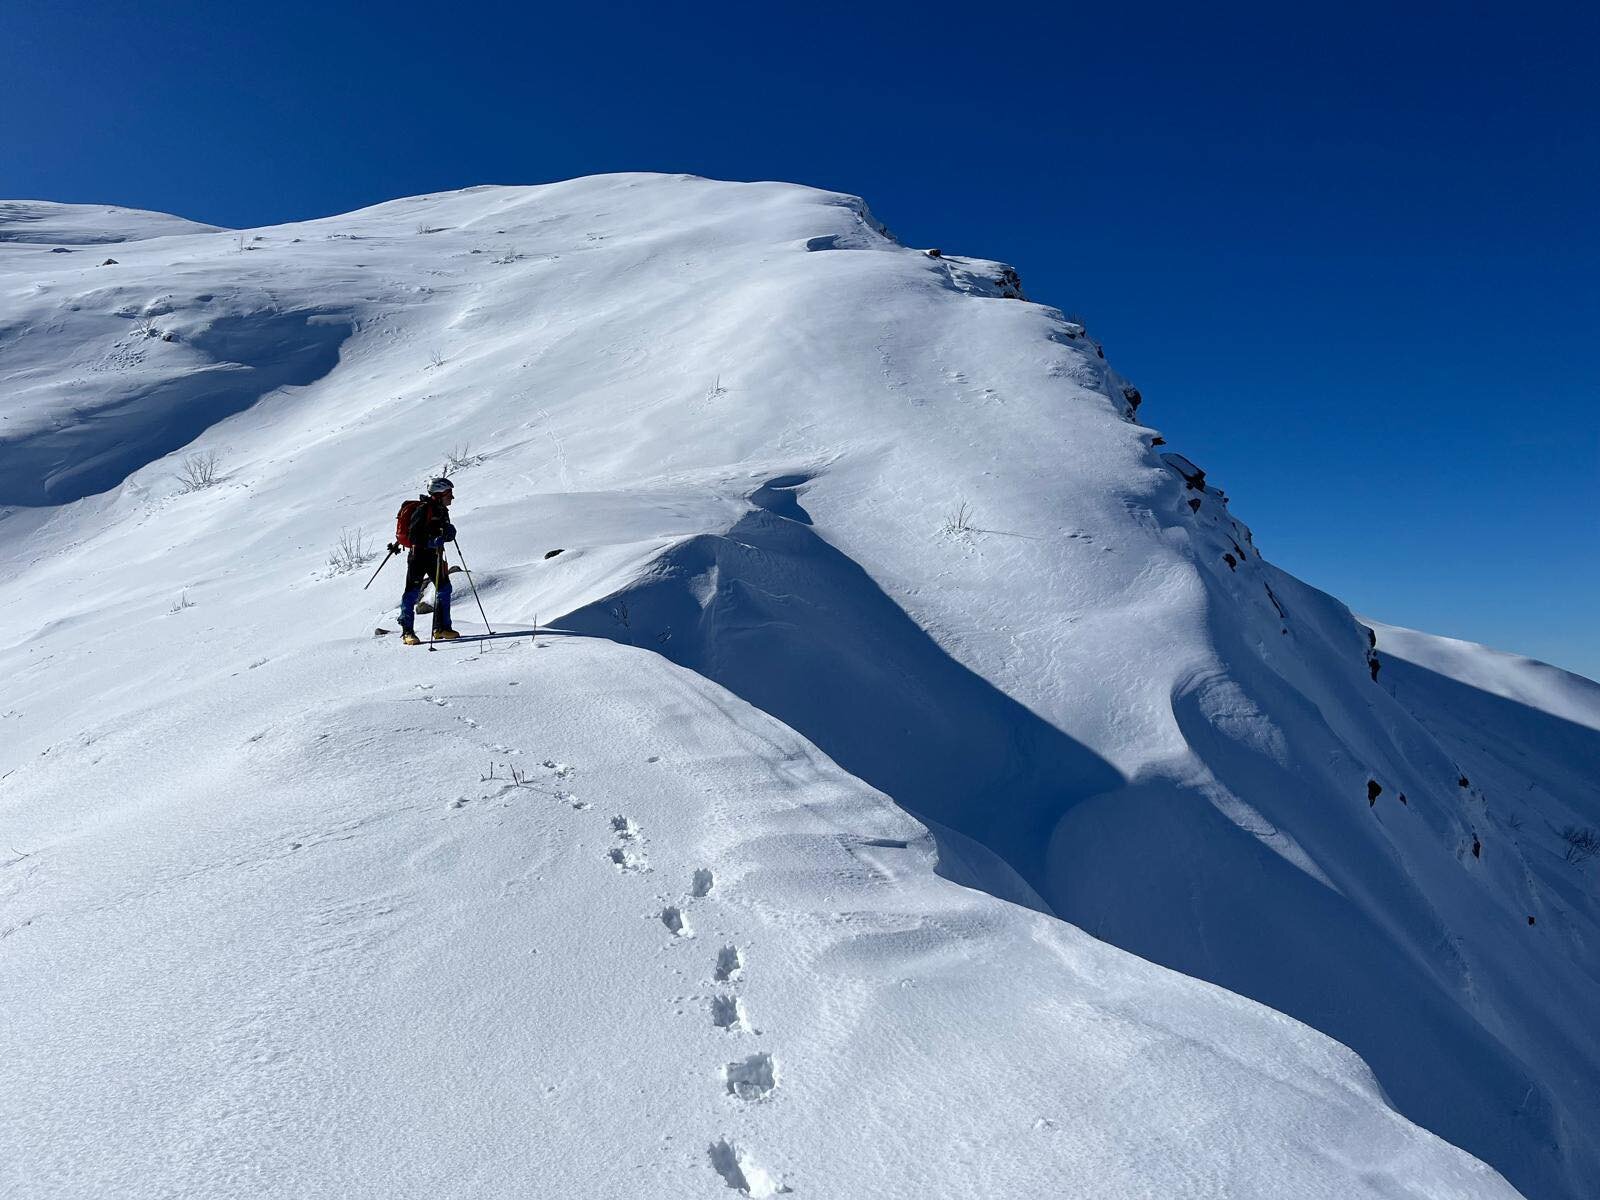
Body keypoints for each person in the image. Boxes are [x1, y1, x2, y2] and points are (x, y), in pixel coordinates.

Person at [399, 477, 459, 644]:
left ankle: (441, 628)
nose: (452, 497)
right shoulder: (424, 510)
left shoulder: (441, 510)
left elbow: (440, 532)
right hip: (418, 556)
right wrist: (431, 541)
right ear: (440, 494)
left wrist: (448, 533)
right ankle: (407, 632)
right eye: (449, 493)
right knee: (411, 593)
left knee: (444, 589)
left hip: (435, 556)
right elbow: (413, 536)